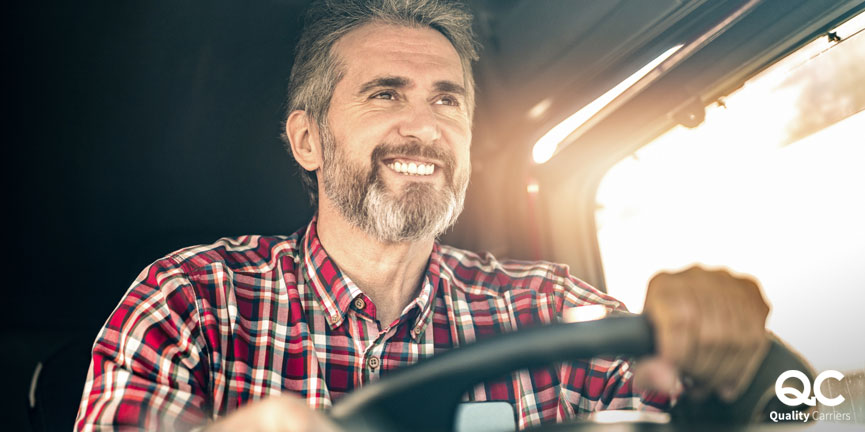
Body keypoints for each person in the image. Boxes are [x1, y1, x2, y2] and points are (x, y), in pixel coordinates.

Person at [75, 0, 771, 431]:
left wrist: (723, 362)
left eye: (447, 100)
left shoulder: (547, 306)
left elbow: (722, 408)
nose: (425, 127)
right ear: (307, 139)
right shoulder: (191, 297)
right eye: (384, 94)